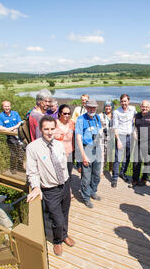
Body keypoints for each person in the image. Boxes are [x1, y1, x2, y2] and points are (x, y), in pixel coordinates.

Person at [26, 115, 74, 256]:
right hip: (50, 189)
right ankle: (57, 241)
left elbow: (64, 166)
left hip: (64, 185)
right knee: (57, 219)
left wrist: (69, 186)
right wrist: (36, 187)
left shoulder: (58, 144)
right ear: (40, 130)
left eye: (52, 129)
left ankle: (64, 235)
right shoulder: (32, 148)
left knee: (65, 214)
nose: (49, 132)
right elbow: (32, 171)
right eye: (46, 129)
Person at [75, 99, 103, 208]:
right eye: (90, 107)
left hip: (97, 149)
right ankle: (86, 197)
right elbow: (78, 138)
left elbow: (99, 131)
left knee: (96, 174)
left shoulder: (97, 118)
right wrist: (83, 155)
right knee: (86, 177)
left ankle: (93, 191)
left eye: (94, 107)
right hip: (86, 148)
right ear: (86, 108)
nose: (92, 109)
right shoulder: (81, 119)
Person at [130, 100, 150, 188]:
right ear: (140, 107)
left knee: (148, 161)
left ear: (149, 107)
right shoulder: (137, 116)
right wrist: (134, 132)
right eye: (143, 106)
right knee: (136, 161)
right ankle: (134, 180)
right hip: (139, 141)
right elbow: (134, 125)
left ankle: (144, 180)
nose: (144, 108)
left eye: (146, 107)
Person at [111, 94, 137, 187]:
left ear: (128, 101)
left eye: (125, 101)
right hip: (120, 136)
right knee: (118, 157)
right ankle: (115, 177)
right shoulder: (116, 112)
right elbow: (115, 127)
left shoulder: (133, 109)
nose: (123, 103)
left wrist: (134, 130)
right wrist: (118, 140)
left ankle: (123, 173)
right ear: (120, 102)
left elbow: (135, 119)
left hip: (130, 136)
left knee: (127, 157)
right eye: (122, 101)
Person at [0, 100, 24, 174]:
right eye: (5, 106)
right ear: (3, 107)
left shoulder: (15, 113)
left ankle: (20, 167)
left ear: (10, 106)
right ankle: (13, 169)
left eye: (8, 106)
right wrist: (10, 129)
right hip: (10, 138)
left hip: (18, 135)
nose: (7, 108)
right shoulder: (1, 116)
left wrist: (15, 127)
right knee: (13, 153)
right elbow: (0, 127)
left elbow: (20, 122)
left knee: (21, 152)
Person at [54, 104, 75, 197]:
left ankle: (68, 190)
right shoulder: (54, 123)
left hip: (70, 152)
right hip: (58, 153)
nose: (67, 115)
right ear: (60, 114)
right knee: (59, 172)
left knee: (69, 173)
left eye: (69, 113)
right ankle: (59, 191)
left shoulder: (72, 123)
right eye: (65, 113)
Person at [99, 100, 114, 174]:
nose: (108, 107)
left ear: (112, 107)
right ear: (104, 107)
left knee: (110, 154)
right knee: (102, 154)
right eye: (106, 106)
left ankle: (110, 170)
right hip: (102, 137)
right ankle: (101, 170)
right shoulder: (100, 115)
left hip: (111, 137)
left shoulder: (114, 115)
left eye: (109, 106)